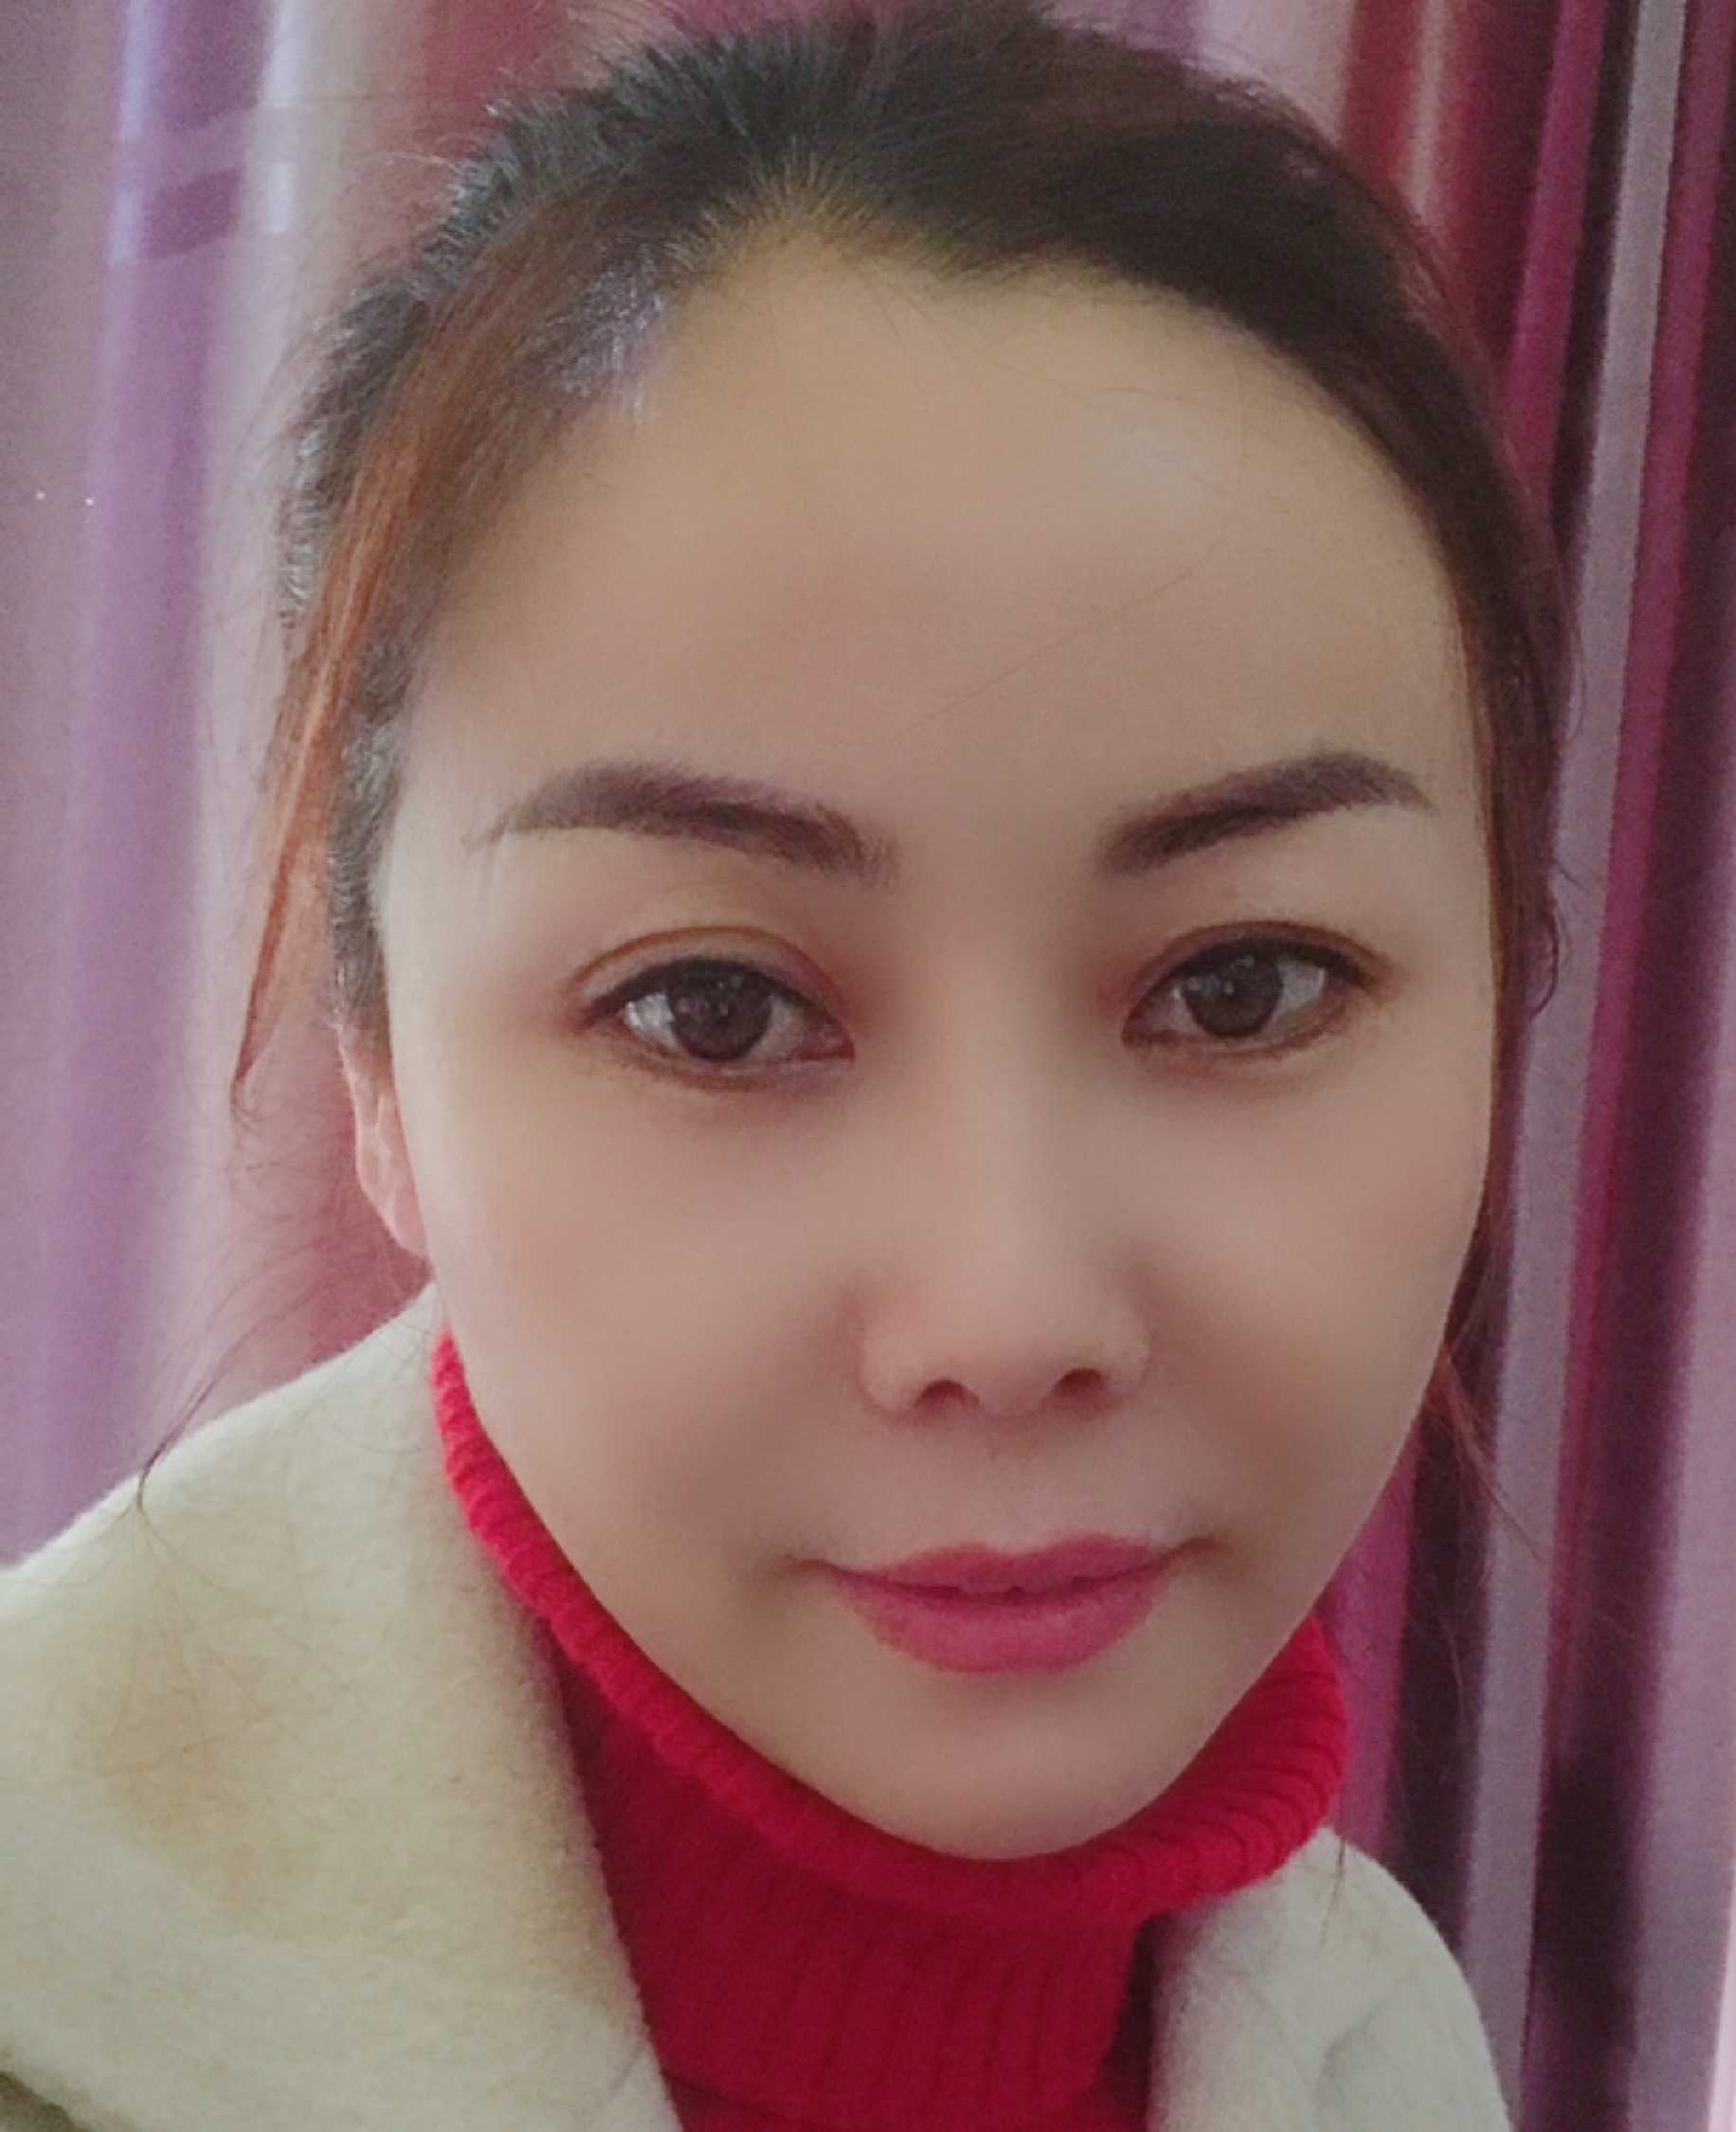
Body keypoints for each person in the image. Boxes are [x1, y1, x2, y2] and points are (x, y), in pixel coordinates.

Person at [0, 2, 1564, 2125]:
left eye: (1243, 987)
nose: (1005, 1316)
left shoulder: (1386, 2042)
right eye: (712, 1009)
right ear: (378, 1075)